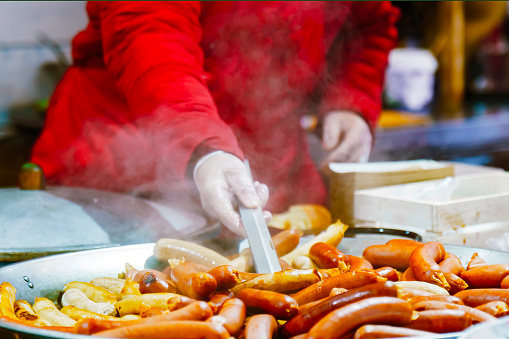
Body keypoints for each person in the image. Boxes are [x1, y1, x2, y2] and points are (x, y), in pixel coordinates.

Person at [32, 2, 399, 237]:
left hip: (277, 172)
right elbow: (150, 35)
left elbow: (368, 24)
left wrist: (350, 101)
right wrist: (203, 148)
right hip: (122, 179)